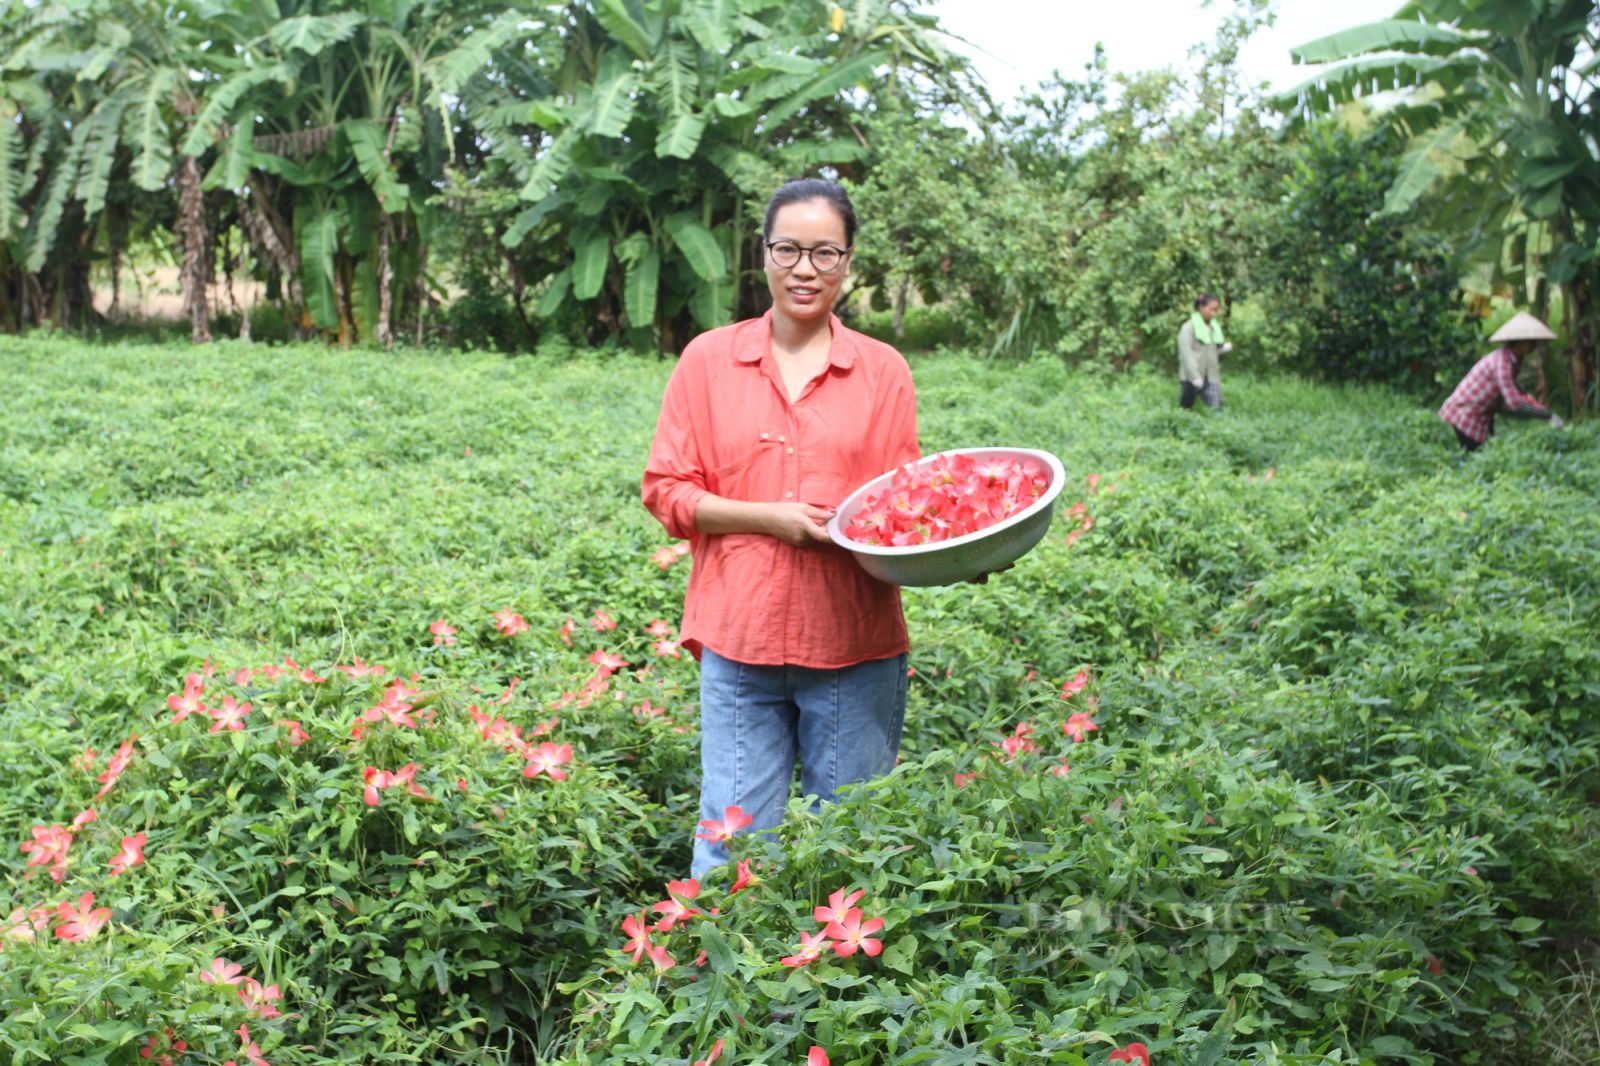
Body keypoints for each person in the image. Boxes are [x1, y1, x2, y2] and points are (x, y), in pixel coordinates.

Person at [641, 178, 919, 879]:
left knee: (850, 851)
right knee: (730, 847)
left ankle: (830, 989)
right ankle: (721, 986)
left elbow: (904, 510)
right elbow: (667, 492)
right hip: (741, 642)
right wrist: (769, 520)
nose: (805, 268)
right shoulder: (708, 360)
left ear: (849, 263)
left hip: (854, 643)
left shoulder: (883, 372)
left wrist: (963, 553)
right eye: (788, 249)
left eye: (825, 253)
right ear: (762, 255)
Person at [1439, 311, 1565, 452]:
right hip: (1466, 413)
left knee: (1484, 455)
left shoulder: (1514, 361)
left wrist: (1531, 402)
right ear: (1518, 342)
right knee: (1473, 456)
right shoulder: (1502, 363)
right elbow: (1514, 403)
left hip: (1482, 413)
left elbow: (1514, 389)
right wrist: (1547, 415)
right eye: (1530, 341)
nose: (1534, 345)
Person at [1177, 294, 1232, 410]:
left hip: (1211, 375)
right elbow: (1186, 355)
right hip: (1192, 376)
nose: (1214, 313)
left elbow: (1212, 352)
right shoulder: (1188, 328)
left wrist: (1223, 350)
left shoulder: (1214, 327)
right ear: (1201, 307)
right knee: (1186, 408)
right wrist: (1194, 376)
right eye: (1211, 309)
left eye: (1216, 310)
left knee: (1217, 408)